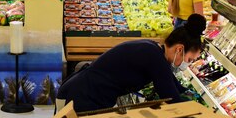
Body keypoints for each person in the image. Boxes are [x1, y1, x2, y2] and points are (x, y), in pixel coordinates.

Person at [56, 14, 207, 112]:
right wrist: (199, 114)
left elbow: (174, 84)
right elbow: (171, 97)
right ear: (179, 49)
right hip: (82, 98)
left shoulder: (154, 50)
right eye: (189, 60)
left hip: (85, 92)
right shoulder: (154, 58)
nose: (187, 64)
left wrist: (190, 95)